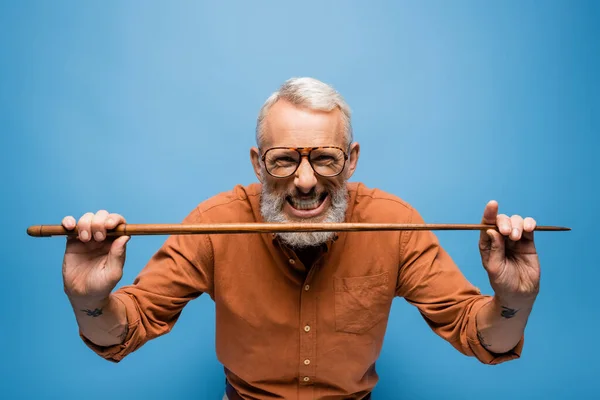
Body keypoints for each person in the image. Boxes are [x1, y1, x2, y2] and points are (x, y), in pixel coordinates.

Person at [61, 77, 540, 400]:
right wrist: (90, 301)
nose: (306, 181)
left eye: (325, 158)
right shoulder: (214, 224)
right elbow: (127, 329)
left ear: (351, 160)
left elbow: (478, 334)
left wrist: (513, 299)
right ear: (257, 163)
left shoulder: (395, 224)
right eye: (284, 159)